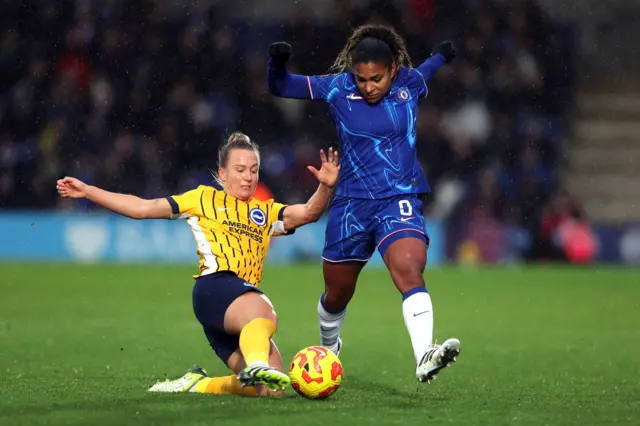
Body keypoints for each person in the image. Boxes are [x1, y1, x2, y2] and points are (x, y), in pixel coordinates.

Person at [56, 132, 340, 396]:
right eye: (240, 170)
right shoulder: (203, 198)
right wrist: (89, 191)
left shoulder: (265, 211)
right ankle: (256, 363)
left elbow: (308, 213)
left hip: (235, 311)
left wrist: (325, 187)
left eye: (253, 170)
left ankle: (199, 384)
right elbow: (142, 208)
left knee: (271, 389)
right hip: (215, 288)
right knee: (265, 312)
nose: (248, 177)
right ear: (222, 173)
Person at [267, 24, 460, 383]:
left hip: (398, 197)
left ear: (393, 71)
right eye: (362, 79)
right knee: (337, 292)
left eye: (377, 79)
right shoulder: (337, 88)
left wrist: (441, 57)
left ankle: (424, 356)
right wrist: (277, 63)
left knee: (408, 268)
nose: (369, 87)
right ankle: (329, 348)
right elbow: (280, 85)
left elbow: (427, 70)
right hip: (352, 204)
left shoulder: (410, 84)